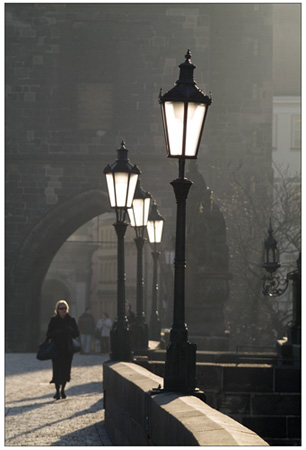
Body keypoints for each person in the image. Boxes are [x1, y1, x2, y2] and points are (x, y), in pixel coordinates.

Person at [46, 300, 79, 400]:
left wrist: (70, 330)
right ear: (57, 310)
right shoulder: (53, 320)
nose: (63, 310)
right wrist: (57, 332)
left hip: (67, 349)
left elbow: (76, 333)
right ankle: (57, 391)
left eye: (65, 308)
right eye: (61, 308)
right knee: (57, 370)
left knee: (65, 370)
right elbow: (49, 334)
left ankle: (63, 390)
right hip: (56, 349)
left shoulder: (71, 320)